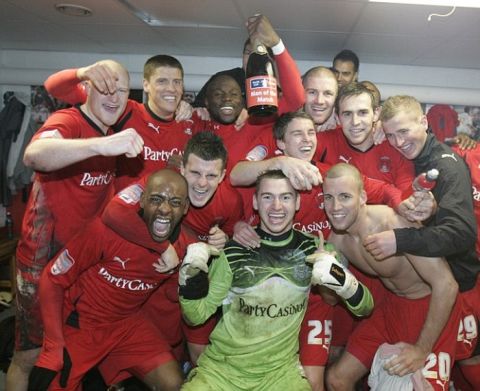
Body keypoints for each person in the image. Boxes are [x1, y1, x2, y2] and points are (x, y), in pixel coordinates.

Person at [6, 60, 144, 391]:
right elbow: (34, 155)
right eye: (105, 87)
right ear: (86, 90)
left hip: (80, 263)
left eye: (121, 90)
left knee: (69, 353)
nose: (113, 97)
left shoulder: (113, 130)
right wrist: (100, 145)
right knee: (29, 356)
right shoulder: (68, 119)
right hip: (42, 263)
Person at [179, 170, 373, 391]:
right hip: (222, 372)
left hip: (280, 375)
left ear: (298, 202)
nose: (277, 207)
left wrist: (340, 278)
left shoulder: (315, 250)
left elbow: (365, 308)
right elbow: (195, 316)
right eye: (268, 197)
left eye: (286, 197)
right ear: (255, 201)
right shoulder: (233, 251)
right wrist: (191, 280)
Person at [27, 169, 193, 391]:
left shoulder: (184, 248)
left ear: (185, 208)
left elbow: (175, 298)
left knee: (173, 383)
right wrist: (53, 345)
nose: (164, 208)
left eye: (174, 202)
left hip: (127, 323)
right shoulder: (106, 231)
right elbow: (52, 279)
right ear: (142, 201)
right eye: (156, 199)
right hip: (83, 323)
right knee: (50, 385)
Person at [322, 163, 475, 391]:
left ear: (362, 197)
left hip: (433, 306)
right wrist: (326, 275)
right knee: (336, 380)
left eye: (344, 196)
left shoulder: (391, 223)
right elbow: (331, 300)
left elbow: (446, 285)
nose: (335, 207)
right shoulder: (337, 241)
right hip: (392, 307)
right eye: (328, 198)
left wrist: (422, 350)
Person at [363, 95, 480, 388]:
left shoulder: (447, 165)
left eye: (404, 131)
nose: (399, 142)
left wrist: (400, 240)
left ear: (424, 123)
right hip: (420, 288)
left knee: (461, 365)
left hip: (457, 288)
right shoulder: (406, 155)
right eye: (390, 134)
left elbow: (462, 233)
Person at [101, 131, 244, 366]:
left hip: (197, 281)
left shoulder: (230, 200)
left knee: (202, 358)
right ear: (182, 168)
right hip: (156, 282)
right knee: (159, 355)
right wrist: (163, 245)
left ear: (223, 176)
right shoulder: (160, 183)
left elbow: (232, 232)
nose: (201, 183)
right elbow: (113, 212)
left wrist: (226, 238)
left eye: (211, 175)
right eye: (195, 173)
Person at [44, 54, 197, 190]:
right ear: (146, 85)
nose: (171, 88)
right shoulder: (122, 108)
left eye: (177, 82)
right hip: (122, 216)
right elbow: (55, 89)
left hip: (168, 215)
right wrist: (80, 73)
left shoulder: (190, 121)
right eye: (162, 81)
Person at [316, 82, 415, 193]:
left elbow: (407, 203)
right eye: (347, 114)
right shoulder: (323, 141)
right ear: (337, 118)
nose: (355, 122)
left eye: (363, 113)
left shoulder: (396, 145)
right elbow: (296, 162)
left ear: (376, 114)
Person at [302, 66, 340, 132]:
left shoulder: (346, 133)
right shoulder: (286, 128)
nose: (319, 101)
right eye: (312, 92)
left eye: (328, 93)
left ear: (336, 98)